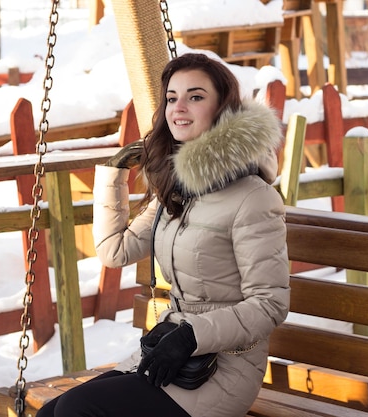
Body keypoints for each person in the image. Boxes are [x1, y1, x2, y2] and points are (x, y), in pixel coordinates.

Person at [36, 52, 290, 417]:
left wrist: (190, 336)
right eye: (172, 98)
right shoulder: (179, 190)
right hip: (172, 355)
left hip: (221, 371)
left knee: (78, 410)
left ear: (223, 109)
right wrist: (114, 172)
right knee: (52, 411)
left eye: (196, 96)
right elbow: (115, 251)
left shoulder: (253, 196)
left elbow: (269, 304)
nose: (179, 107)